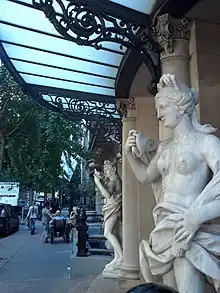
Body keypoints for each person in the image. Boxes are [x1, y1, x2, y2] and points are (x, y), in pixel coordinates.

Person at [125, 74, 220, 293]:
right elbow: (145, 177)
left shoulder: (205, 142)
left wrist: (194, 218)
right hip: (163, 229)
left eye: (163, 107)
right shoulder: (164, 149)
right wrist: (129, 154)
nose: (158, 114)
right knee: (169, 290)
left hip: (187, 230)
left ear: (181, 106)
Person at [94, 160, 122, 268]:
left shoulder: (114, 180)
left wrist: (97, 182)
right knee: (113, 234)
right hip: (113, 208)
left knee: (107, 233)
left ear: (113, 169)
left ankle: (122, 256)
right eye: (105, 169)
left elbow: (107, 195)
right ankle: (117, 258)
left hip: (113, 209)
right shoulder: (113, 179)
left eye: (107, 169)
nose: (105, 171)